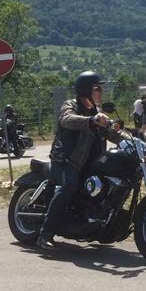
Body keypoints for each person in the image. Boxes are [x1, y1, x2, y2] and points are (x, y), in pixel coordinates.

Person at [37, 71, 125, 250]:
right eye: (97, 89)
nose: (101, 92)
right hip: (66, 161)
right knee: (69, 185)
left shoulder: (97, 113)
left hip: (89, 165)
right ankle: (45, 234)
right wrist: (91, 120)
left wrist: (135, 140)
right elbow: (66, 120)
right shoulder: (71, 105)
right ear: (86, 90)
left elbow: (112, 134)